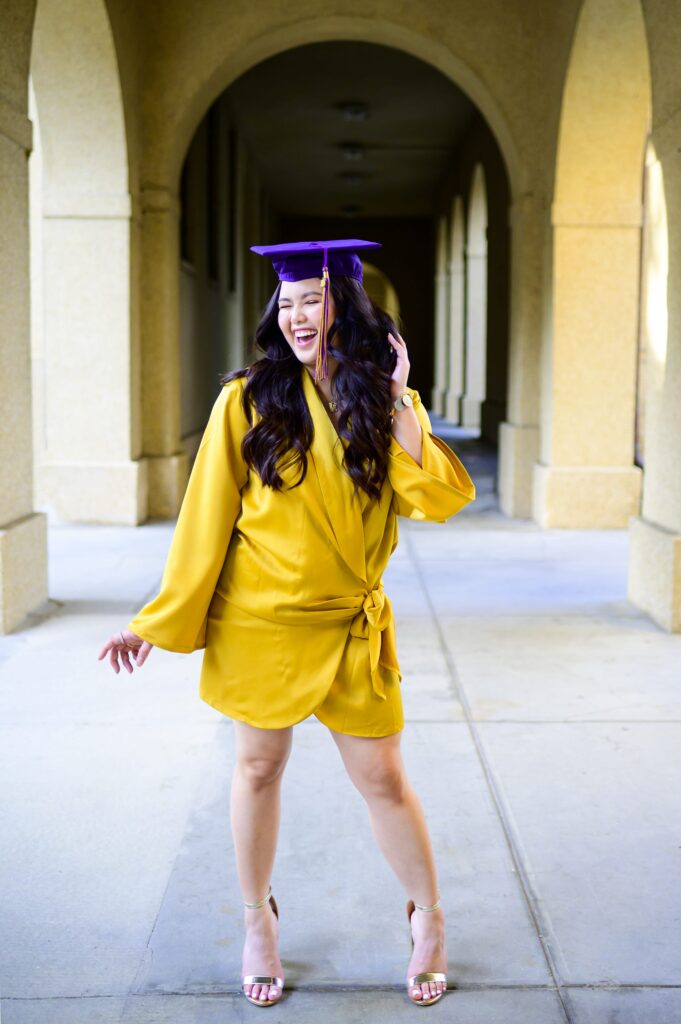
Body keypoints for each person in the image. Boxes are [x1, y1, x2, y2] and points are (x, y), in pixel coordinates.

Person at [98, 238, 476, 1009]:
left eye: (315, 297)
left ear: (347, 309)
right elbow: (206, 520)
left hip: (348, 626)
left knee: (381, 777)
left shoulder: (379, 397)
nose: (299, 314)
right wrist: (154, 621)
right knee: (258, 769)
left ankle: (428, 920)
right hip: (259, 622)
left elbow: (430, 498)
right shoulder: (245, 399)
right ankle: (257, 922)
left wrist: (402, 395)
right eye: (289, 301)